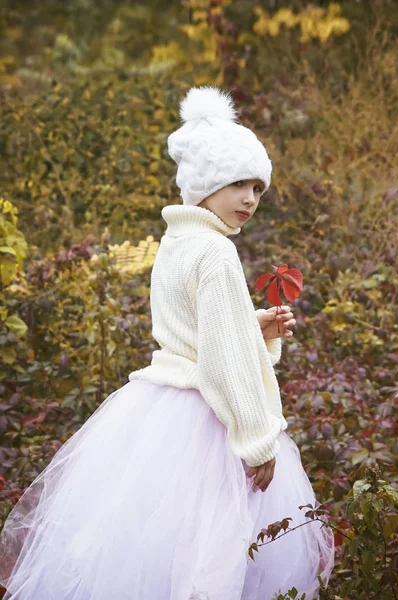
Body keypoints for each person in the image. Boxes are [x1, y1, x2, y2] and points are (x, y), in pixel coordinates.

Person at [0, 86, 334, 600]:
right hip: (210, 418)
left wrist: (252, 327)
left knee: (153, 548)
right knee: (214, 555)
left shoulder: (177, 242)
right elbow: (223, 363)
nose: (249, 199)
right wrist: (258, 439)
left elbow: (197, 331)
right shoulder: (217, 254)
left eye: (258, 189)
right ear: (204, 183)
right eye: (237, 184)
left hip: (159, 410)